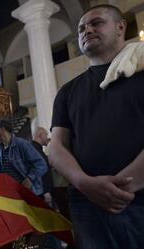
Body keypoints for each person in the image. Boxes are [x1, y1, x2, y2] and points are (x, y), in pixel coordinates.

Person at [49, 5, 144, 249]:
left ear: (121, 27)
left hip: (139, 198)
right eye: (81, 28)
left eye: (96, 23)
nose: (86, 30)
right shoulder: (68, 91)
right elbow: (57, 146)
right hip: (87, 203)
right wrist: (85, 183)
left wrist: (121, 188)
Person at [0, 118, 47, 196]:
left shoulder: (21, 144)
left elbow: (41, 164)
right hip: (11, 193)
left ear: (2, 129)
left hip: (28, 192)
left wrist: (30, 178)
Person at [31, 127, 54, 207]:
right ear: (40, 135)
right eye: (46, 134)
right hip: (42, 192)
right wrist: (45, 191)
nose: (47, 137)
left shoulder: (36, 149)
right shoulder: (35, 150)